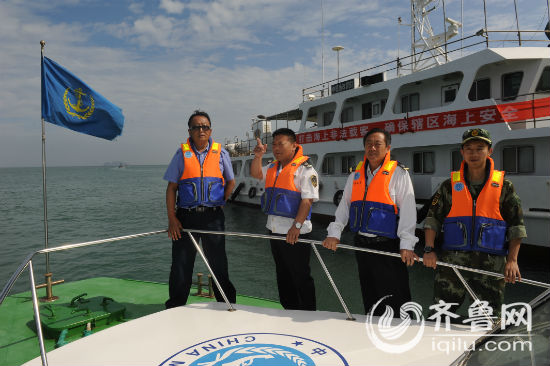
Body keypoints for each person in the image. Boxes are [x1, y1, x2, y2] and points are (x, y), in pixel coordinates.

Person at [423, 128, 525, 314]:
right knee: (440, 315)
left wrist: (512, 260)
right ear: (462, 152)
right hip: (452, 265)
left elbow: (516, 226)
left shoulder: (504, 186)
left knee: (488, 321)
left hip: (490, 266)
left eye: (480, 148)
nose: (474, 153)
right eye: (468, 148)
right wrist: (429, 249)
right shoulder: (449, 186)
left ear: (490, 151)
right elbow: (432, 219)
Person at [323, 128, 419, 316]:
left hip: (388, 245)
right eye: (369, 144)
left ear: (387, 148)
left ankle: (402, 333)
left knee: (395, 294)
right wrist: (334, 233)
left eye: (378, 144)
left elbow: (408, 210)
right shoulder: (355, 176)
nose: (372, 148)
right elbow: (345, 206)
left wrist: (407, 244)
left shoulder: (399, 174)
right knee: (370, 293)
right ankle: (373, 329)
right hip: (362, 243)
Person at [164, 110, 236, 308]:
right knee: (181, 264)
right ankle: (175, 307)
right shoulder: (181, 154)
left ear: (210, 130)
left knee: (218, 263)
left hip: (214, 217)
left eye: (205, 126)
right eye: (196, 127)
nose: (201, 130)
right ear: (190, 131)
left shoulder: (221, 153)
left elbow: (230, 182)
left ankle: (227, 304)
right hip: (185, 218)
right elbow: (171, 188)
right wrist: (172, 218)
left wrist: (221, 201)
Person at [250, 128, 319, 311]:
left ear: (294, 145)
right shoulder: (273, 167)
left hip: (295, 233)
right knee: (283, 275)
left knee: (300, 276)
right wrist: (258, 156)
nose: (276, 148)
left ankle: (307, 314)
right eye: (274, 144)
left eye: (281, 143)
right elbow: (256, 174)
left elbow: (307, 201)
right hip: (274, 231)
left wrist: (296, 227)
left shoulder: (306, 170)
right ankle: (288, 310)